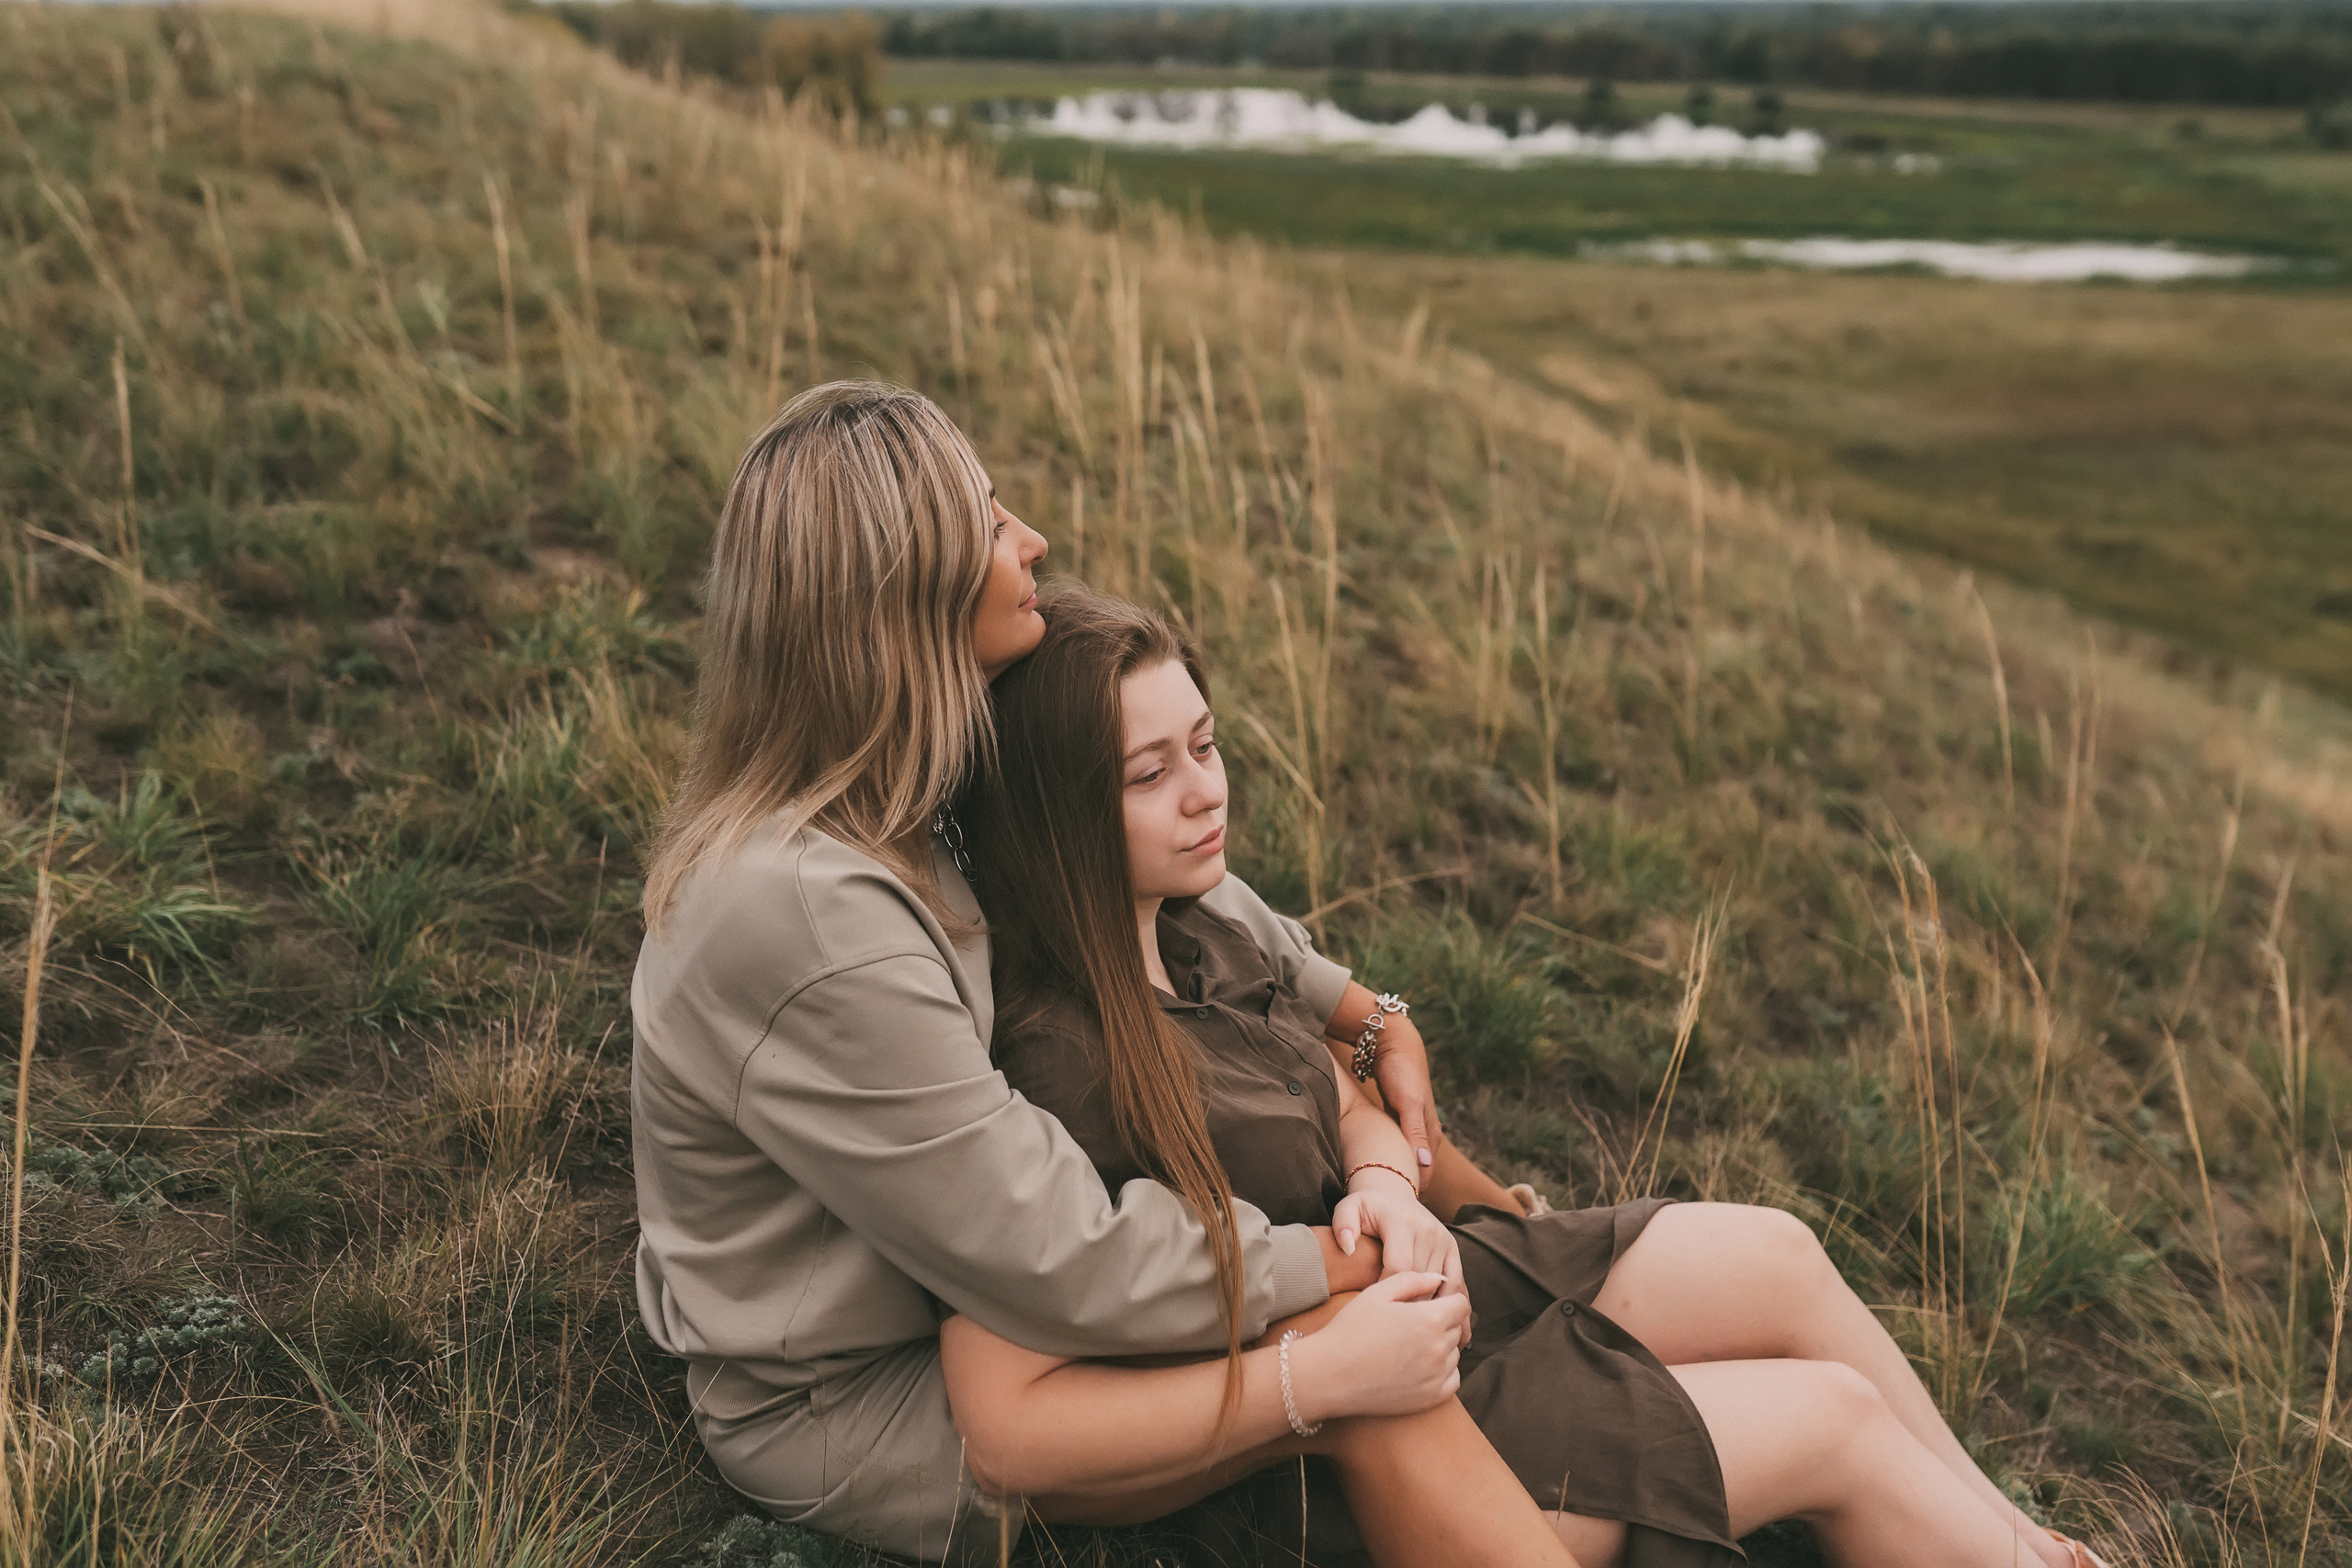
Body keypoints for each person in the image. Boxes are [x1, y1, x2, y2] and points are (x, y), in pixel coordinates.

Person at [941, 581, 2112, 1568]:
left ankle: (2017, 1534)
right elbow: (1020, 1400)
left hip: (1427, 1283)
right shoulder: (1056, 1061)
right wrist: (1317, 1370)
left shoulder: (1207, 928)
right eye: (1149, 776)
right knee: (1831, 1424)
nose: (1207, 790)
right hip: (1358, 1427)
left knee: (1776, 1255)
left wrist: (1386, 1180)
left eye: (1204, 745)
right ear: (1059, 820)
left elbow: (1342, 1085)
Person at [629, 379, 1595, 1567]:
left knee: (1385, 1312)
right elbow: (1064, 1252)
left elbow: (1140, 871)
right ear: (899, 591)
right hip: (868, 1395)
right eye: (988, 524)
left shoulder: (904, 775)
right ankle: (1542, 1379)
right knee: (1362, 1344)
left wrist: (1355, 1001)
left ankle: (1538, 1314)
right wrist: (1348, 1249)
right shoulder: (801, 911)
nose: (1031, 540)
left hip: (977, 1298)